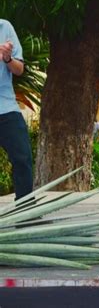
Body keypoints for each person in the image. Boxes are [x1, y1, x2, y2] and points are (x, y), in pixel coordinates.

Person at [0, 19, 33, 201]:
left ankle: (26, 212)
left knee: (22, 159)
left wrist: (8, 58)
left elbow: (19, 69)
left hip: (6, 107)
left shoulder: (5, 27)